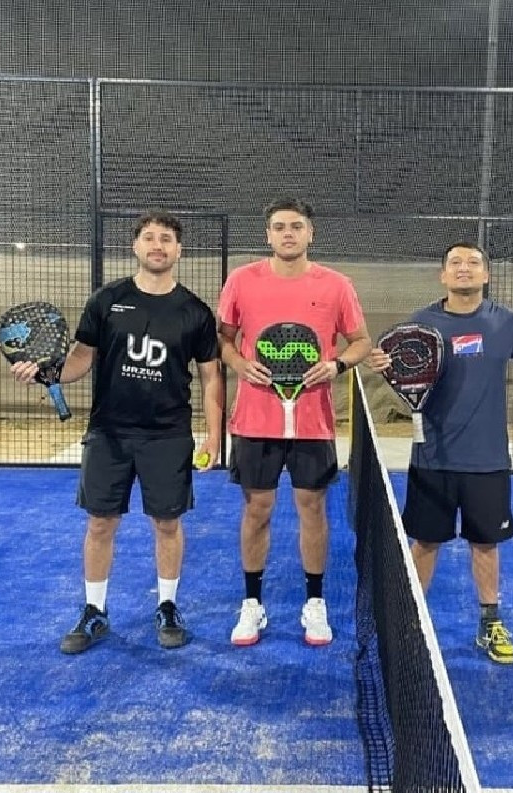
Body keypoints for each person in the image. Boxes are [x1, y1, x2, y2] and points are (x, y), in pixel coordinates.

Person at [11, 211, 223, 653]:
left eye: (166, 238)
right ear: (135, 246)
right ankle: (94, 611)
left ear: (179, 250)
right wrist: (47, 373)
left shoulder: (196, 312)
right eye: (149, 237)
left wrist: (214, 434)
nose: (158, 245)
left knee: (167, 522)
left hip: (168, 434)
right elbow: (81, 358)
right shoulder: (106, 301)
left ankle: (167, 606)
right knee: (100, 522)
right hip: (108, 433)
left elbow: (210, 377)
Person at [217, 198, 371, 647]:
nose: (288, 233)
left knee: (312, 508)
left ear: (310, 233)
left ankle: (315, 603)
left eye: (296, 226)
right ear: (268, 234)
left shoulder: (337, 285)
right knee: (257, 509)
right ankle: (252, 603)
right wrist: (240, 364)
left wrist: (337, 365)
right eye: (280, 226)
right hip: (254, 421)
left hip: (313, 423)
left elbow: (361, 342)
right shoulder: (241, 280)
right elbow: (223, 340)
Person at [368, 242, 513, 664]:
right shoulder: (419, 324)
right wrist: (381, 365)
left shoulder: (507, 323)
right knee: (426, 541)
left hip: (488, 459)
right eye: (455, 263)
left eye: (473, 263)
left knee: (486, 543)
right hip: (432, 458)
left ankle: (490, 622)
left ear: (486, 275)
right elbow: (396, 368)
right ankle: (409, 620)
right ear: (442, 275)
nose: (463, 268)